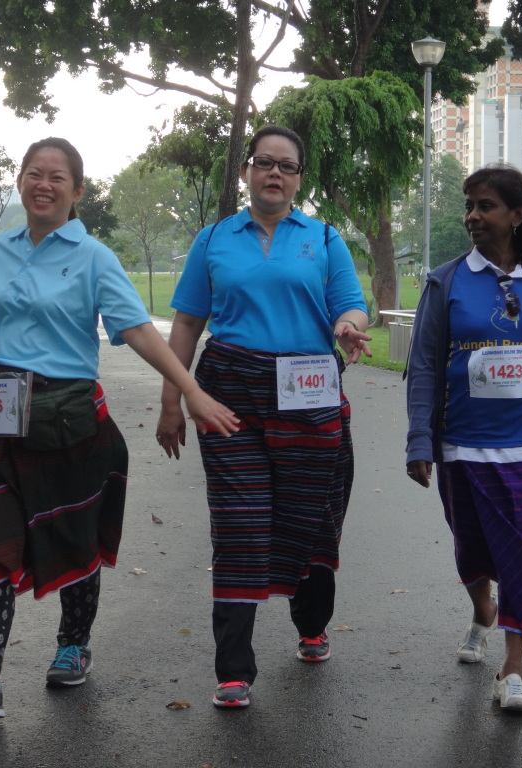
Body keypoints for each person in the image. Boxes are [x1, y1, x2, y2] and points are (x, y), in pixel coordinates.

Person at [0, 137, 239, 720]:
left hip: (70, 422)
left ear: (76, 191)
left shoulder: (94, 256)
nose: (42, 184)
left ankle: (74, 644)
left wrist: (191, 392)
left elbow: (139, 331)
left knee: (75, 542)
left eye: (56, 176)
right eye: (33, 173)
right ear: (20, 183)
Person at [155, 126, 372, 709]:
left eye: (288, 166)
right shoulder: (214, 239)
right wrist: (171, 400)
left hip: (309, 394)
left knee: (313, 517)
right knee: (239, 522)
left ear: (300, 179)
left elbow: (348, 303)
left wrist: (348, 326)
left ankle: (312, 622)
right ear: (246, 172)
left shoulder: (324, 239)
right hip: (231, 394)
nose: (275, 174)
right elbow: (186, 324)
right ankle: (233, 668)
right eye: (264, 163)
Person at [404, 163, 522, 714]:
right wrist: (419, 441)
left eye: (486, 206)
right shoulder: (447, 281)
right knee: (473, 549)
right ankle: (482, 610)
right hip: (462, 445)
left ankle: (514, 671)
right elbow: (424, 365)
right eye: (469, 206)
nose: (473, 217)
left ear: (517, 216)